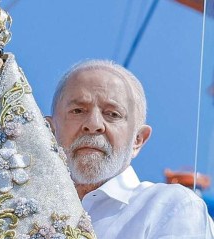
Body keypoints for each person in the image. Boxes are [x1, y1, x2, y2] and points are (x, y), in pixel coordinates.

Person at [46, 59, 214, 238]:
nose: (93, 124)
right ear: (49, 131)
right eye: (78, 110)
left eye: (112, 114)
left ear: (138, 140)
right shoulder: (19, 206)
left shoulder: (171, 206)